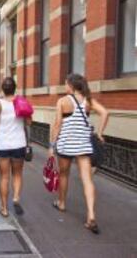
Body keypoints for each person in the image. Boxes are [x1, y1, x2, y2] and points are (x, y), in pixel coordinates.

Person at [49, 73, 109, 234]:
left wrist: (51, 145)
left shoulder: (62, 101)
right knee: (87, 180)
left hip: (66, 145)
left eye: (66, 83)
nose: (65, 86)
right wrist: (100, 133)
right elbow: (105, 112)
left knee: (64, 175)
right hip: (83, 145)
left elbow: (57, 124)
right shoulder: (88, 100)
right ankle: (91, 215)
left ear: (72, 86)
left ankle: (61, 203)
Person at [0, 78, 29, 217]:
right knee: (17, 174)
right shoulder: (22, 101)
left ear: (2, 89)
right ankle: (16, 198)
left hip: (2, 144)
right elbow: (29, 122)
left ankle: (4, 209)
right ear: (15, 88)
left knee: (4, 177)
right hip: (19, 144)